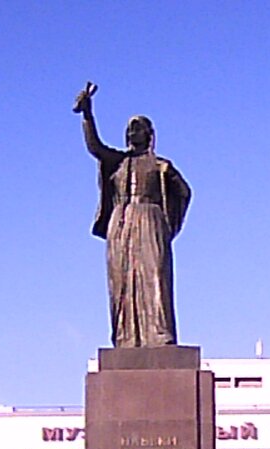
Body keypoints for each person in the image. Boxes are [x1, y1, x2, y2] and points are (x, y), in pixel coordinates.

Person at [74, 82, 192, 348]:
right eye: (129, 128)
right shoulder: (117, 161)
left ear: (149, 134)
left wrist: (168, 223)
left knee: (155, 277)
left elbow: (184, 192)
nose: (131, 132)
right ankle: (126, 338)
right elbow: (95, 147)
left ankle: (160, 336)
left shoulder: (162, 166)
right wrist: (88, 115)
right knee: (122, 280)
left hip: (150, 220)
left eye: (138, 128)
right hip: (121, 222)